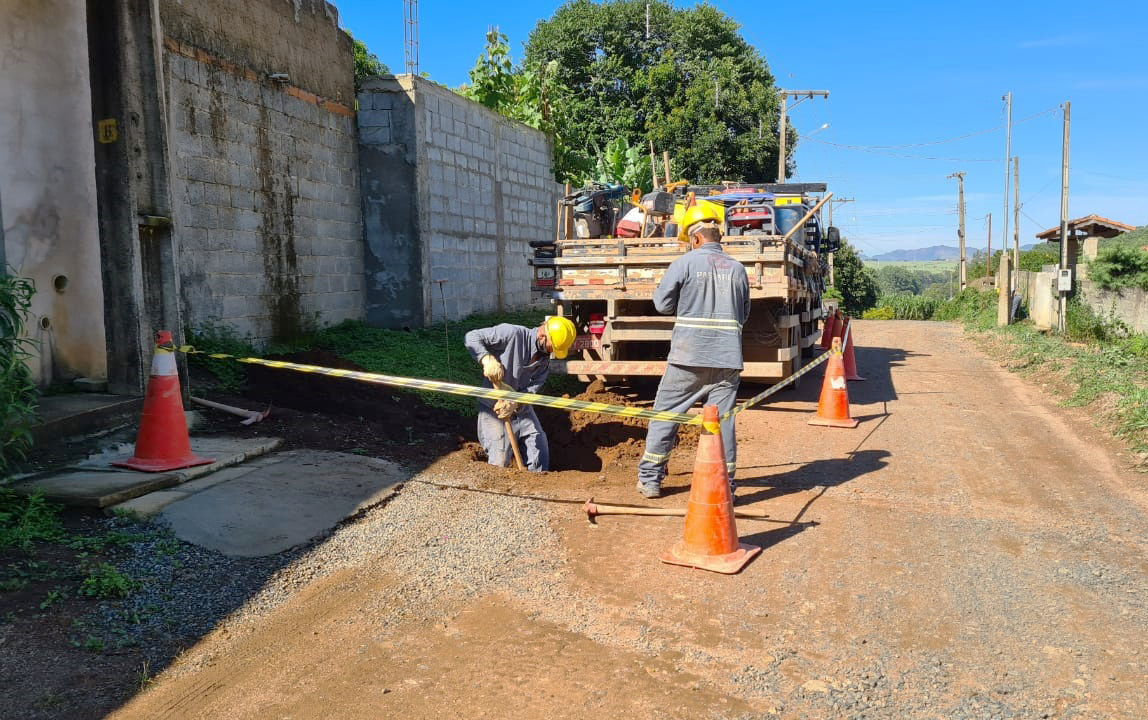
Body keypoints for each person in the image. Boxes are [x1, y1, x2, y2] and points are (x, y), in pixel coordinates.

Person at [637, 203, 750, 498]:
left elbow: (662, 305)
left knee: (666, 416)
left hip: (687, 359)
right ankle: (726, 486)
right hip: (727, 360)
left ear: (696, 238)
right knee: (722, 424)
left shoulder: (684, 264)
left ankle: (650, 480)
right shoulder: (738, 270)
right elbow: (744, 313)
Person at [464, 316, 577, 472]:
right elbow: (471, 337)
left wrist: (516, 403)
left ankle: (535, 488)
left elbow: (534, 388)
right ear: (542, 335)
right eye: (552, 347)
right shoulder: (512, 333)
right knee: (500, 460)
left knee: (539, 448)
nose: (552, 352)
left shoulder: (543, 360)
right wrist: (486, 358)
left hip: (521, 408)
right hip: (494, 408)